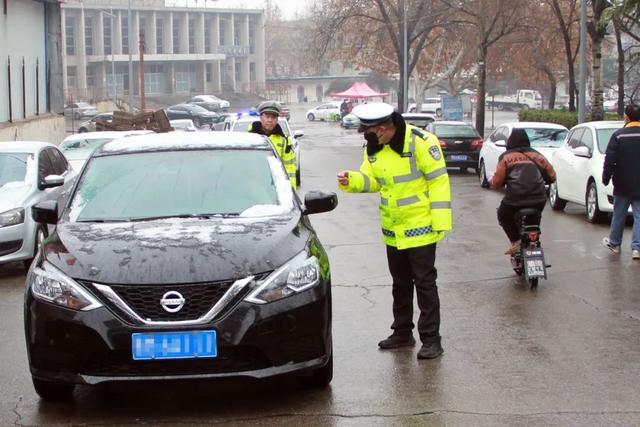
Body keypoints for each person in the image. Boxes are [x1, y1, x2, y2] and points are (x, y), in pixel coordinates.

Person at [337, 102, 452, 360]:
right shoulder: (374, 146)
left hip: (421, 226)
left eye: (375, 132)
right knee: (400, 284)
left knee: (424, 284)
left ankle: (432, 340)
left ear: (387, 126)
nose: (372, 137)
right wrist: (351, 179)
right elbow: (372, 180)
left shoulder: (421, 142)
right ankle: (402, 333)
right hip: (393, 228)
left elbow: (438, 181)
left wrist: (441, 222)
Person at [490, 128, 556, 255]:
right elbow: (552, 176)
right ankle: (533, 239)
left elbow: (497, 183)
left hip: (515, 200)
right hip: (539, 199)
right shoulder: (538, 156)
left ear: (510, 142)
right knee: (534, 219)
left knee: (503, 215)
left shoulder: (506, 157)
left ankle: (516, 241)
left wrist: (493, 182)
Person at [602, 103, 640, 260]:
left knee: (619, 214)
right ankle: (637, 249)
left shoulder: (618, 135)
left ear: (627, 116)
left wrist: (606, 177)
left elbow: (610, 159)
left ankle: (615, 243)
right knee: (639, 216)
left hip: (622, 183)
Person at [249, 101, 298, 189]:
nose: (270, 120)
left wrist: (291, 193)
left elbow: (290, 170)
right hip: (252, 186)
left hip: (276, 188)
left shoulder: (285, 142)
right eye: (267, 116)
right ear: (261, 117)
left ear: (277, 119)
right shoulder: (248, 139)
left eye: (273, 117)